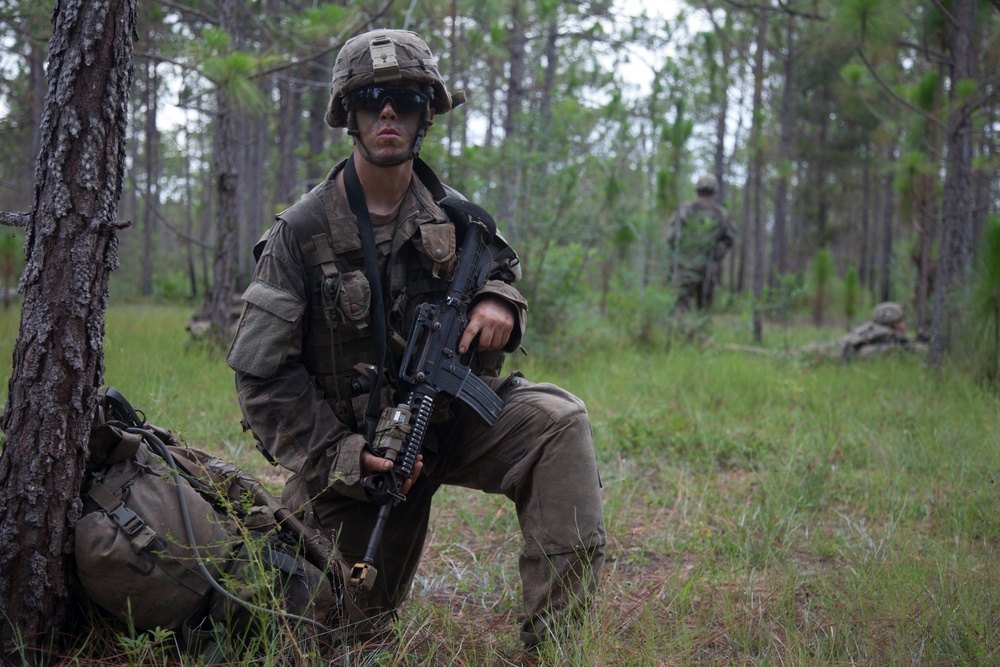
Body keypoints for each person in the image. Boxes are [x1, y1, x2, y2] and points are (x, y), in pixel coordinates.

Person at [225, 29, 605, 651]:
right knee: (326, 637)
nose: (388, 113)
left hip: (453, 422)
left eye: (404, 98)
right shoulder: (301, 234)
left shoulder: (459, 218)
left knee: (559, 422)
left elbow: (503, 273)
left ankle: (554, 646)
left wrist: (497, 301)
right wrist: (344, 458)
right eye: (372, 98)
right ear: (349, 114)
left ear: (428, 111)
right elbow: (262, 380)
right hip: (358, 459)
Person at [665, 174, 736, 312]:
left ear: (697, 190)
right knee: (704, 309)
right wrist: (716, 254)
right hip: (708, 267)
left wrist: (676, 259)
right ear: (714, 191)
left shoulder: (685, 210)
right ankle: (701, 332)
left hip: (685, 265)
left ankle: (680, 331)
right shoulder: (721, 213)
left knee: (681, 306)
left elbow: (672, 237)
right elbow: (730, 238)